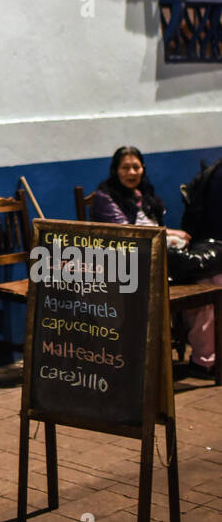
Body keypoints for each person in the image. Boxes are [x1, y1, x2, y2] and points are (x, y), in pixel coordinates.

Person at [92, 147, 213, 378]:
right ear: (115, 170)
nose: (131, 172)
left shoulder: (144, 196)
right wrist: (169, 235)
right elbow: (128, 234)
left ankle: (203, 360)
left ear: (143, 168)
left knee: (210, 280)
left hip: (157, 258)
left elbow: (154, 229)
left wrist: (171, 237)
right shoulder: (104, 197)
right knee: (196, 263)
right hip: (128, 265)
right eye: (125, 167)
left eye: (136, 167)